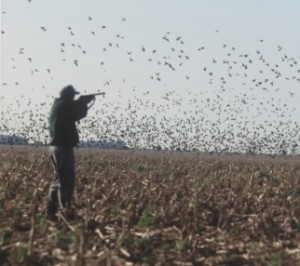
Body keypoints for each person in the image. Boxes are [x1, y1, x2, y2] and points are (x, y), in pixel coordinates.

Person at [46, 85, 95, 220]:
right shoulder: (63, 106)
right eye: (73, 96)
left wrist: (82, 101)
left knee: (58, 180)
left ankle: (51, 211)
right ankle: (64, 213)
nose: (74, 98)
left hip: (55, 148)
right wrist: (84, 102)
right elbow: (78, 112)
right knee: (66, 181)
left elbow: (74, 111)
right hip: (62, 148)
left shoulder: (57, 106)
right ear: (69, 96)